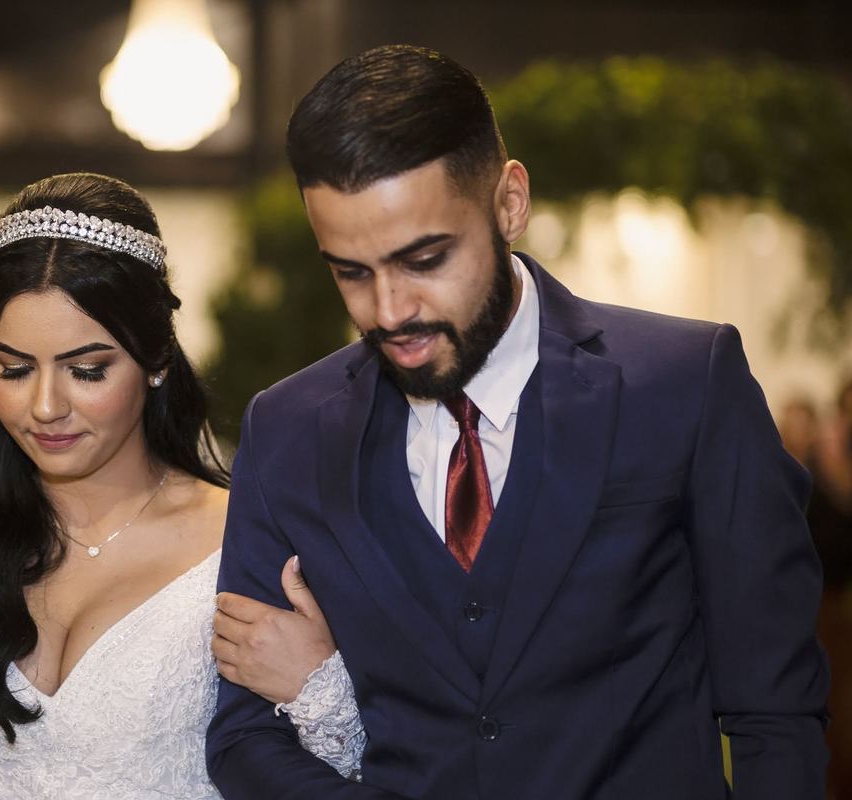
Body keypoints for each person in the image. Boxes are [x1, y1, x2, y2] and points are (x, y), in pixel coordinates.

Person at [206, 45, 829, 799]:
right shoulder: (287, 431)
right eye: (351, 272)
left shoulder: (686, 383)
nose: (390, 310)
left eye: (426, 258)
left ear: (510, 203)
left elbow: (774, 715)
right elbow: (245, 739)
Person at [0, 173, 364, 799]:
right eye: (14, 369)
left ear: (156, 360)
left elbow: (335, 773)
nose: (47, 406)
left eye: (86, 370)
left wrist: (318, 682)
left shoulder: (243, 540)